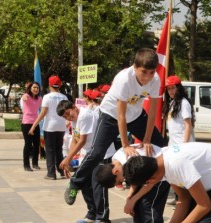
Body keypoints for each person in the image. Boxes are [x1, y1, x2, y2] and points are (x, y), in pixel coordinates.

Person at [64, 48, 165, 206]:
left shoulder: (155, 79)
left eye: (152, 72)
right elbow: (121, 116)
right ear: (135, 67)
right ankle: (75, 183)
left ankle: (154, 181)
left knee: (161, 145)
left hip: (136, 115)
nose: (147, 77)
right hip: (111, 114)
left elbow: (152, 112)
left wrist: (146, 139)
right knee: (97, 153)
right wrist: (125, 145)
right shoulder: (124, 79)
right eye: (144, 72)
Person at [95, 144, 169, 223]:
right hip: (145, 178)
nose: (123, 181)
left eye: (119, 180)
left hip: (159, 178)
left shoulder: (128, 159)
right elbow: (135, 181)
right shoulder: (117, 160)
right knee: (136, 208)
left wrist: (133, 200)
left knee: (148, 209)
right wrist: (130, 199)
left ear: (115, 171)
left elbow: (148, 183)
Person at [57, 100, 115, 223]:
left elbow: (82, 140)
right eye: (65, 117)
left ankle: (103, 219)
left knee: (98, 185)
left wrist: (68, 158)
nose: (68, 117)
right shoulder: (75, 119)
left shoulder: (84, 115)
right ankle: (92, 213)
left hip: (101, 153)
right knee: (85, 184)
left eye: (68, 113)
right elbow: (75, 139)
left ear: (73, 107)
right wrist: (70, 159)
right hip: (88, 154)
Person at [29, 75, 68, 180]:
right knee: (58, 150)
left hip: (50, 127)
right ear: (59, 85)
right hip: (61, 126)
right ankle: (61, 171)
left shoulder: (47, 97)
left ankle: (51, 173)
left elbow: (42, 113)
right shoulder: (64, 97)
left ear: (50, 85)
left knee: (50, 150)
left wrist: (33, 126)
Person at [164, 75, 195, 145]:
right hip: (173, 144)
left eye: (173, 88)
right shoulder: (172, 103)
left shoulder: (184, 103)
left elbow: (188, 125)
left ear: (179, 88)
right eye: (168, 89)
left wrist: (184, 145)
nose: (170, 91)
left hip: (182, 144)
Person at [21, 82, 42, 171]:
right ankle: (26, 165)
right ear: (30, 88)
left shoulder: (40, 99)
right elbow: (23, 97)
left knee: (37, 144)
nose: (36, 89)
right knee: (28, 144)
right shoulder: (26, 96)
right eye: (34, 87)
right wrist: (24, 98)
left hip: (35, 123)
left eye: (37, 88)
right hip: (26, 123)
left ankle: (35, 163)